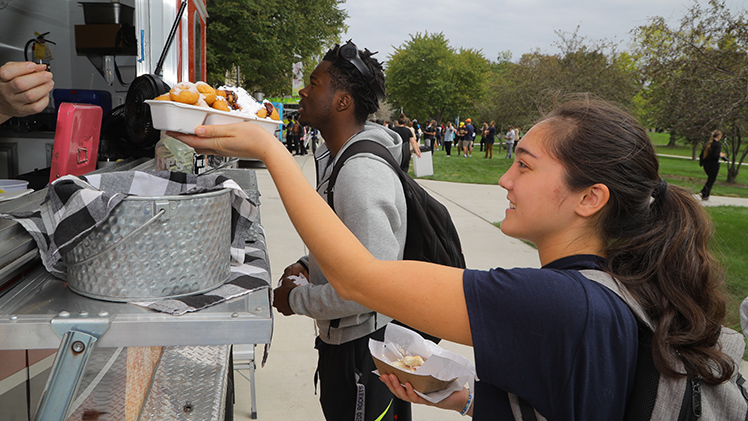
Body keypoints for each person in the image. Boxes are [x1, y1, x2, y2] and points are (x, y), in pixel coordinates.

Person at [173, 95, 733, 420]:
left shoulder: (558, 302)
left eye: (525, 166)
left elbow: (358, 276)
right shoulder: (618, 289)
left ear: (591, 198)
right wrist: (465, 398)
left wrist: (271, 150)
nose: (504, 178)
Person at [243, 41, 413, 421]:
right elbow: (348, 239)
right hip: (344, 344)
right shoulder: (337, 159)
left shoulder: (360, 173)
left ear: (342, 102)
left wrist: (296, 300)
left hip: (363, 353)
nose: (303, 90)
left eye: (314, 83)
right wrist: (308, 263)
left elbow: (372, 287)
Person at [699, 129, 728, 200]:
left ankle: (705, 194)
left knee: (710, 179)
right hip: (713, 165)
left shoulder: (708, 143)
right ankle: (704, 192)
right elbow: (715, 155)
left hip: (706, 164)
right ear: (719, 136)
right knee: (711, 180)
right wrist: (720, 155)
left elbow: (702, 154)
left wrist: (702, 163)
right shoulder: (717, 144)